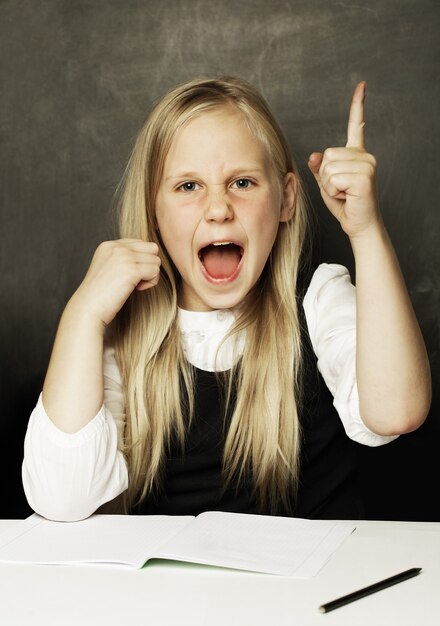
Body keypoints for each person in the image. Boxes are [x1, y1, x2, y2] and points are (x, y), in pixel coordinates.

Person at [22, 77, 431, 522]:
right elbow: (62, 500)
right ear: (153, 212)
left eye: (241, 182)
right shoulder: (123, 330)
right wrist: (82, 315)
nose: (218, 208)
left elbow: (396, 412)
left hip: (314, 585)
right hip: (169, 589)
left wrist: (366, 230)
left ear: (286, 199)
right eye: (188, 187)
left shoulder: (319, 298)